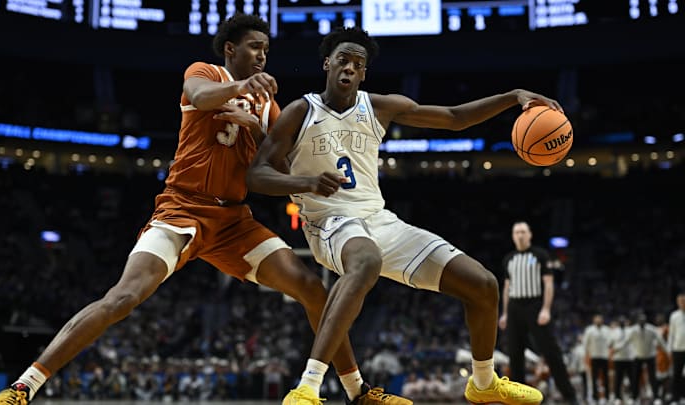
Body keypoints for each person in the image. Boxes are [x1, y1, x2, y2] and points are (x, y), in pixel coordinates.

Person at [0, 15, 403, 405]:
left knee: (313, 290)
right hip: (181, 209)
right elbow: (200, 96)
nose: (262, 56)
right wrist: (241, 90)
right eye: (255, 47)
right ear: (229, 49)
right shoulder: (205, 73)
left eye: (266, 50)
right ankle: (24, 387)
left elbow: (283, 164)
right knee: (123, 297)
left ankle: (357, 391)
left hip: (233, 222)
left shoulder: (268, 108)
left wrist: (266, 130)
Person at [247, 25, 559, 405]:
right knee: (365, 261)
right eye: (343, 59)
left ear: (364, 74)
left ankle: (483, 382)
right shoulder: (301, 111)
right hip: (328, 223)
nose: (349, 68)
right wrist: (309, 182)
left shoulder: (378, 106)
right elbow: (257, 174)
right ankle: (307, 388)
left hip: (380, 221)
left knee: (484, 285)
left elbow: (453, 117)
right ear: (327, 63)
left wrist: (513, 97)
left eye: (358, 64)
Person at [498, 221, 579, 405]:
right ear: (512, 236)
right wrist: (504, 313)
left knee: (551, 351)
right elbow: (507, 288)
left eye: (523, 232)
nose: (519, 235)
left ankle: (569, 395)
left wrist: (546, 309)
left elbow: (549, 283)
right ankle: (520, 399)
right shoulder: (508, 259)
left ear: (529, 235)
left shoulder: (540, 255)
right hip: (514, 307)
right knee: (515, 355)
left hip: (535, 305)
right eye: (516, 232)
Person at [614, 312, 668, 403]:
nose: (642, 323)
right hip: (638, 356)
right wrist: (617, 348)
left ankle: (656, 397)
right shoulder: (633, 330)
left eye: (643, 321)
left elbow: (660, 341)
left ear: (646, 321)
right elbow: (626, 341)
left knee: (652, 377)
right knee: (635, 378)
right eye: (640, 321)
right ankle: (634, 397)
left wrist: (667, 352)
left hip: (650, 355)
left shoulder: (651, 329)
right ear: (637, 322)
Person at [582, 313, 611, 404]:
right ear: (594, 320)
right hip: (594, 356)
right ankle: (595, 397)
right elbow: (585, 343)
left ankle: (607, 396)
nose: (598, 321)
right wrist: (586, 355)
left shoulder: (607, 330)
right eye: (597, 319)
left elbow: (610, 342)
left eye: (600, 319)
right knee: (594, 378)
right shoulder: (589, 330)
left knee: (605, 378)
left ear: (602, 320)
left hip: (604, 356)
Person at [610, 315, 634, 404]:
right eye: (621, 321)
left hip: (629, 357)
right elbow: (610, 344)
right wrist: (617, 347)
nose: (622, 323)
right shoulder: (614, 332)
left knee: (632, 378)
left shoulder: (630, 331)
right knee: (618, 379)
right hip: (618, 358)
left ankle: (632, 396)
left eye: (623, 321)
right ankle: (617, 397)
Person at [668, 293, 685, 405]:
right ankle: (675, 398)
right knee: (676, 374)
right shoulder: (674, 316)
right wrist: (670, 348)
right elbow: (671, 334)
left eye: (684, 301)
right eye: (680, 301)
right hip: (677, 349)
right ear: (677, 303)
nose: (683, 303)